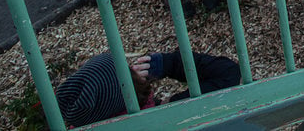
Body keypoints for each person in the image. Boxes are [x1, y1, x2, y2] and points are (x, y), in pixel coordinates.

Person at [55, 50, 240, 126]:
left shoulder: (85, 118)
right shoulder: (169, 116)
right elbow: (230, 74)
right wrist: (168, 63)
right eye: (128, 70)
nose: (134, 68)